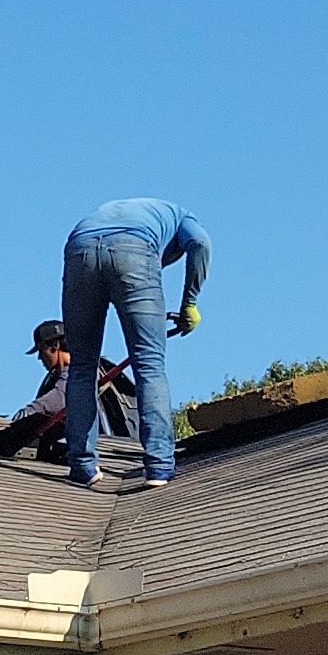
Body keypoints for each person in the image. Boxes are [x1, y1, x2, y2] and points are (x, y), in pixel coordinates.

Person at [61, 195, 209, 486]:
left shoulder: (123, 211)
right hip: (134, 251)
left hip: (80, 249)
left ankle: (82, 466)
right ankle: (159, 465)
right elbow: (201, 243)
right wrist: (189, 302)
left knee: (82, 366)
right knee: (149, 364)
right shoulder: (183, 218)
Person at [0, 319, 133, 462]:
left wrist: (23, 416)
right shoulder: (69, 373)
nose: (40, 358)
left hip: (82, 449)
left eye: (41, 350)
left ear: (55, 345)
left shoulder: (77, 373)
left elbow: (59, 399)